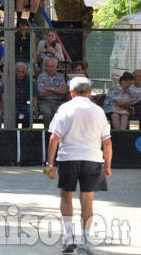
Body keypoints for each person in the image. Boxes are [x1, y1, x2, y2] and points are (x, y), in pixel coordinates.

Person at [46, 77, 112, 255]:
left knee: (66, 195)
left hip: (68, 159)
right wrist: (108, 165)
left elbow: (54, 138)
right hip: (92, 160)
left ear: (71, 92)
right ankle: (84, 241)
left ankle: (68, 236)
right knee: (87, 200)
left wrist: (50, 164)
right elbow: (107, 142)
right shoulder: (98, 111)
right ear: (90, 93)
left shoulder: (64, 108)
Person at [0, 62, 38, 128]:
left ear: (25, 72)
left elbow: (34, 94)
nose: (20, 74)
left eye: (22, 72)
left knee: (30, 112)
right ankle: (15, 131)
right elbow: (2, 92)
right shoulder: (10, 78)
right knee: (14, 113)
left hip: (24, 103)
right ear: (15, 71)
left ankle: (24, 131)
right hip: (12, 104)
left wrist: (35, 108)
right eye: (18, 71)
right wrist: (5, 106)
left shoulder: (28, 79)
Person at [37, 58, 68, 128]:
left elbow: (64, 91)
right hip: (44, 102)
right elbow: (41, 93)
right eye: (49, 66)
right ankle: (47, 133)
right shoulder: (41, 77)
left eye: (52, 66)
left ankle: (60, 134)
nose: (50, 68)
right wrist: (57, 90)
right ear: (45, 66)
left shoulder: (60, 76)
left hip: (58, 102)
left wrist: (50, 89)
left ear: (56, 66)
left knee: (64, 112)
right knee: (48, 113)